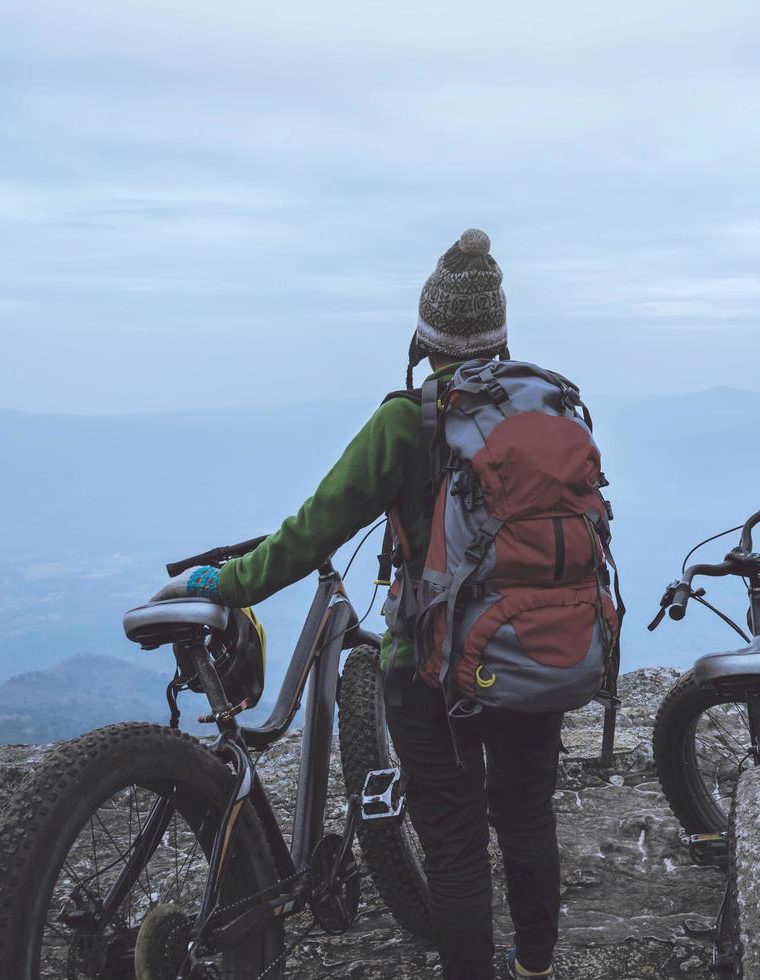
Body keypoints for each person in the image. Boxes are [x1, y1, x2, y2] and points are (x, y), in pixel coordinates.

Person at [153, 229, 566, 980]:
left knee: (453, 839)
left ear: (423, 336)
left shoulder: (408, 421)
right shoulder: (550, 412)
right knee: (527, 811)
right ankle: (535, 965)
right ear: (504, 334)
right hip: (537, 650)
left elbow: (310, 536)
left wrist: (220, 584)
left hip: (434, 667)